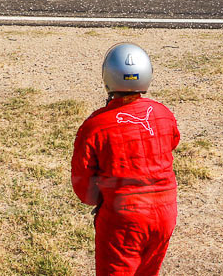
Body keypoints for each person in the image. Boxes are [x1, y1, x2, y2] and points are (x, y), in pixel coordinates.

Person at [71, 43, 180, 276]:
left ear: (107, 75)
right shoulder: (163, 113)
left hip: (124, 217)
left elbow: (83, 185)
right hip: (165, 213)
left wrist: (100, 201)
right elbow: (171, 143)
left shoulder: (95, 126)